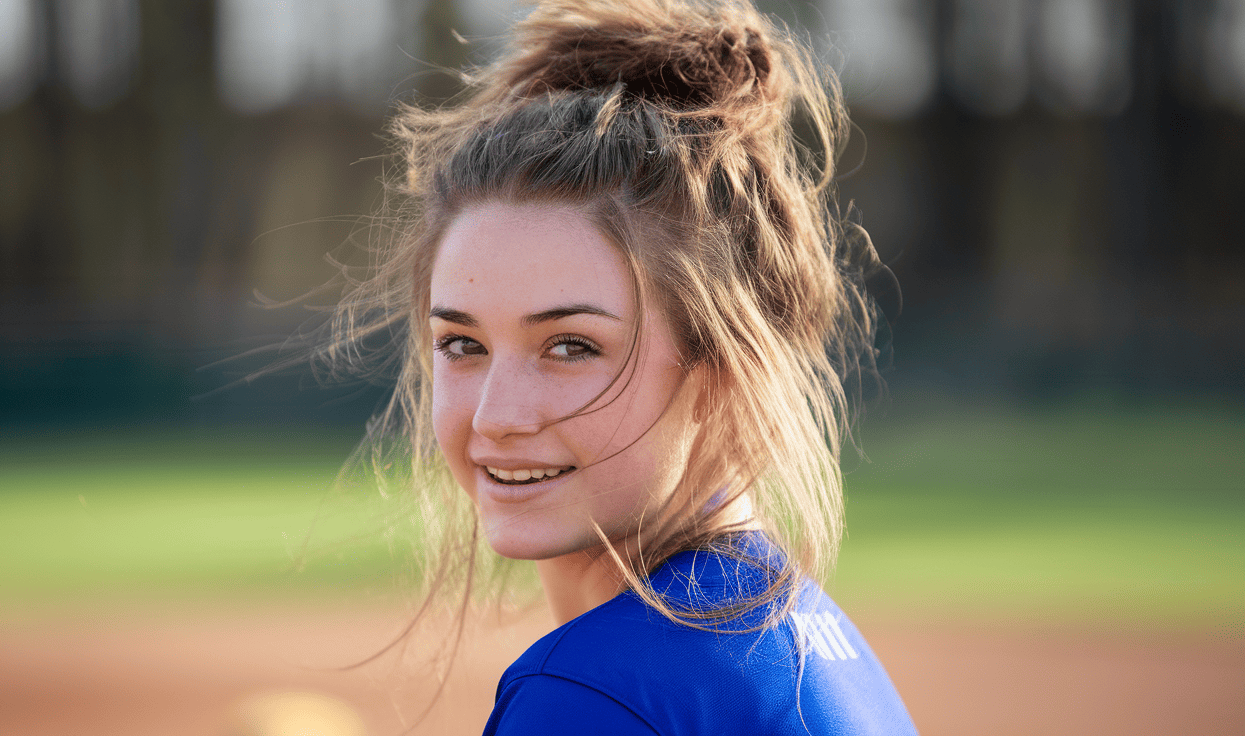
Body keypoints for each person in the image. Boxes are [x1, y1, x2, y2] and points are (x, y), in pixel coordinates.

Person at [322, 0, 917, 732]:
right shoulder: (813, 642)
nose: (496, 416)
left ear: (721, 370)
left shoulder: (594, 693)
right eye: (462, 345)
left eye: (571, 347)